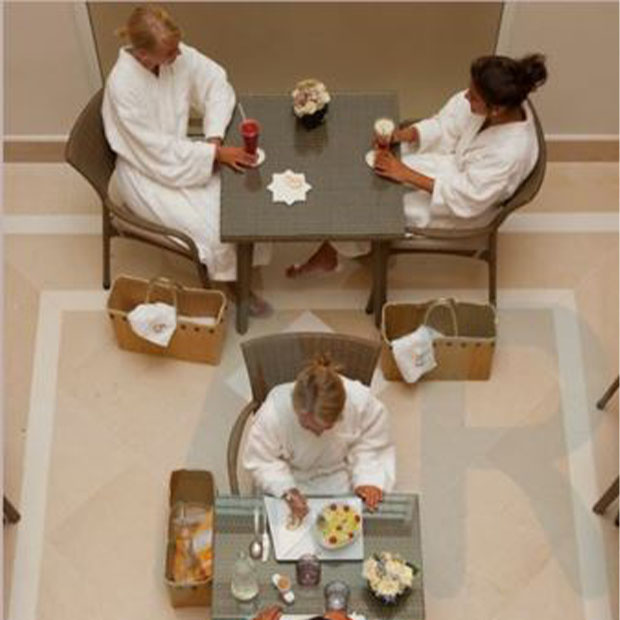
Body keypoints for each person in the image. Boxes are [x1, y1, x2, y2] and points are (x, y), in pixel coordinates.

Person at [286, 53, 547, 278]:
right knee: (370, 165)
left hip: (460, 206)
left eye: (474, 97)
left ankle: (343, 254)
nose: (466, 96)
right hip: (448, 166)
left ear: (496, 110)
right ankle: (339, 247)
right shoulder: (501, 96)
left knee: (368, 207)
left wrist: (405, 174)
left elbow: (468, 196)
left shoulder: (508, 154)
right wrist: (403, 135)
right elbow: (447, 125)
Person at [102, 5, 271, 313]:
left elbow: (215, 82)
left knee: (246, 204)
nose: (179, 55)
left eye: (178, 46)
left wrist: (214, 138)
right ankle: (235, 286)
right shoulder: (123, 86)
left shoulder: (174, 54)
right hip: (144, 171)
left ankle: (242, 270)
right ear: (144, 55)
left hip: (183, 155)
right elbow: (153, 149)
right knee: (217, 231)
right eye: (170, 52)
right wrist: (213, 155)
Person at [242, 354, 395, 519]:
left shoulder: (360, 402)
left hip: (339, 475)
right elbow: (262, 460)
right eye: (307, 426)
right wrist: (286, 490)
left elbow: (371, 444)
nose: (317, 434)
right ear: (296, 409)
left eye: (326, 428)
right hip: (291, 475)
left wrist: (368, 479)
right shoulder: (275, 413)